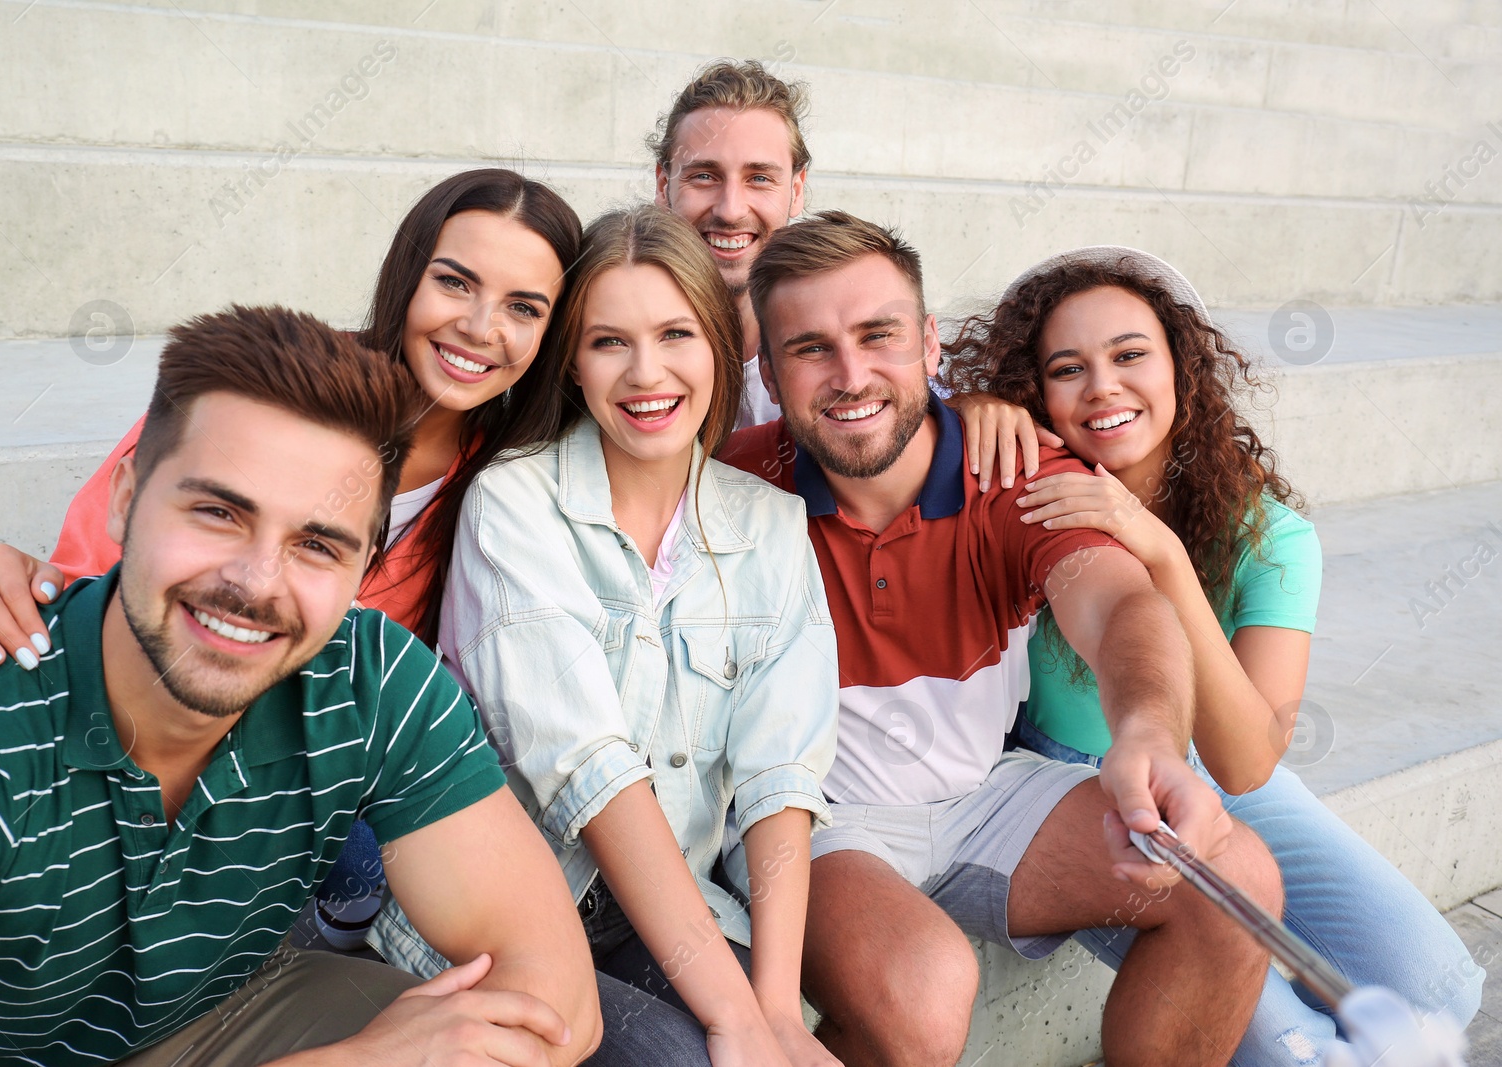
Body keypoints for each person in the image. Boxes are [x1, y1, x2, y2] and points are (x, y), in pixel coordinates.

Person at [0, 306, 602, 1066]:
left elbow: (555, 998)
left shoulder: (367, 678)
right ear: (126, 495)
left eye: (316, 544)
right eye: (218, 512)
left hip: (212, 1022)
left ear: (365, 565)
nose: (254, 583)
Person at [0, 168, 581, 950]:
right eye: (454, 281)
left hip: (302, 789)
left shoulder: (509, 489)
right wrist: (13, 581)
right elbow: (102, 584)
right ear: (408, 275)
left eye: (522, 308)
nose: (478, 325)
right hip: (151, 747)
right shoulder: (275, 393)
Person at [719, 211, 1287, 1067]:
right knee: (922, 986)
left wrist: (1146, 732)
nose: (851, 373)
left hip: (982, 795)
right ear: (768, 369)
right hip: (817, 818)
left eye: (880, 335)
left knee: (1238, 881)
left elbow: (1124, 608)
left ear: (929, 344)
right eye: (810, 348)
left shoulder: (1011, 469)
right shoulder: (729, 481)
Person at [940, 245, 1486, 1065]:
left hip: (1208, 763)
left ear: (1180, 370)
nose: (1103, 387)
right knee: (1290, 1046)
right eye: (1066, 368)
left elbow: (1245, 763)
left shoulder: (1271, 537)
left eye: (1130, 355)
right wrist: (973, 404)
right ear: (1034, 390)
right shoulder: (1025, 494)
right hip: (1079, 788)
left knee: (1438, 991)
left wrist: (1159, 551)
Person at [370, 205, 841, 1067]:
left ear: (718, 348)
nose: (647, 372)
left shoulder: (771, 526)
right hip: (504, 917)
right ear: (573, 364)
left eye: (676, 334)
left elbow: (781, 773)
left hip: (673, 907)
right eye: (608, 341)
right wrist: (733, 1021)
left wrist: (774, 1009)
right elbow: (588, 769)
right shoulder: (513, 503)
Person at [651, 59, 809, 428]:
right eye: (704, 176)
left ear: (796, 189)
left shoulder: (842, 345)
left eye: (759, 178)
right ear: (663, 186)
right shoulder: (602, 335)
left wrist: (967, 403)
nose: (730, 210)